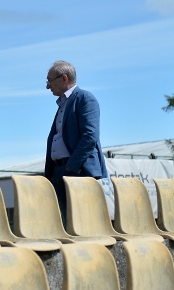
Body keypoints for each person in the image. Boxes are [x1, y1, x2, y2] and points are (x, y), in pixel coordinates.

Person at [44, 60, 108, 224]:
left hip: (78, 172)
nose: (47, 86)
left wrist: (71, 166)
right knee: (66, 226)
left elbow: (90, 136)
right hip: (61, 172)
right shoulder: (63, 104)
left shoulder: (85, 98)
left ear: (64, 78)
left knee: (83, 225)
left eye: (49, 81)